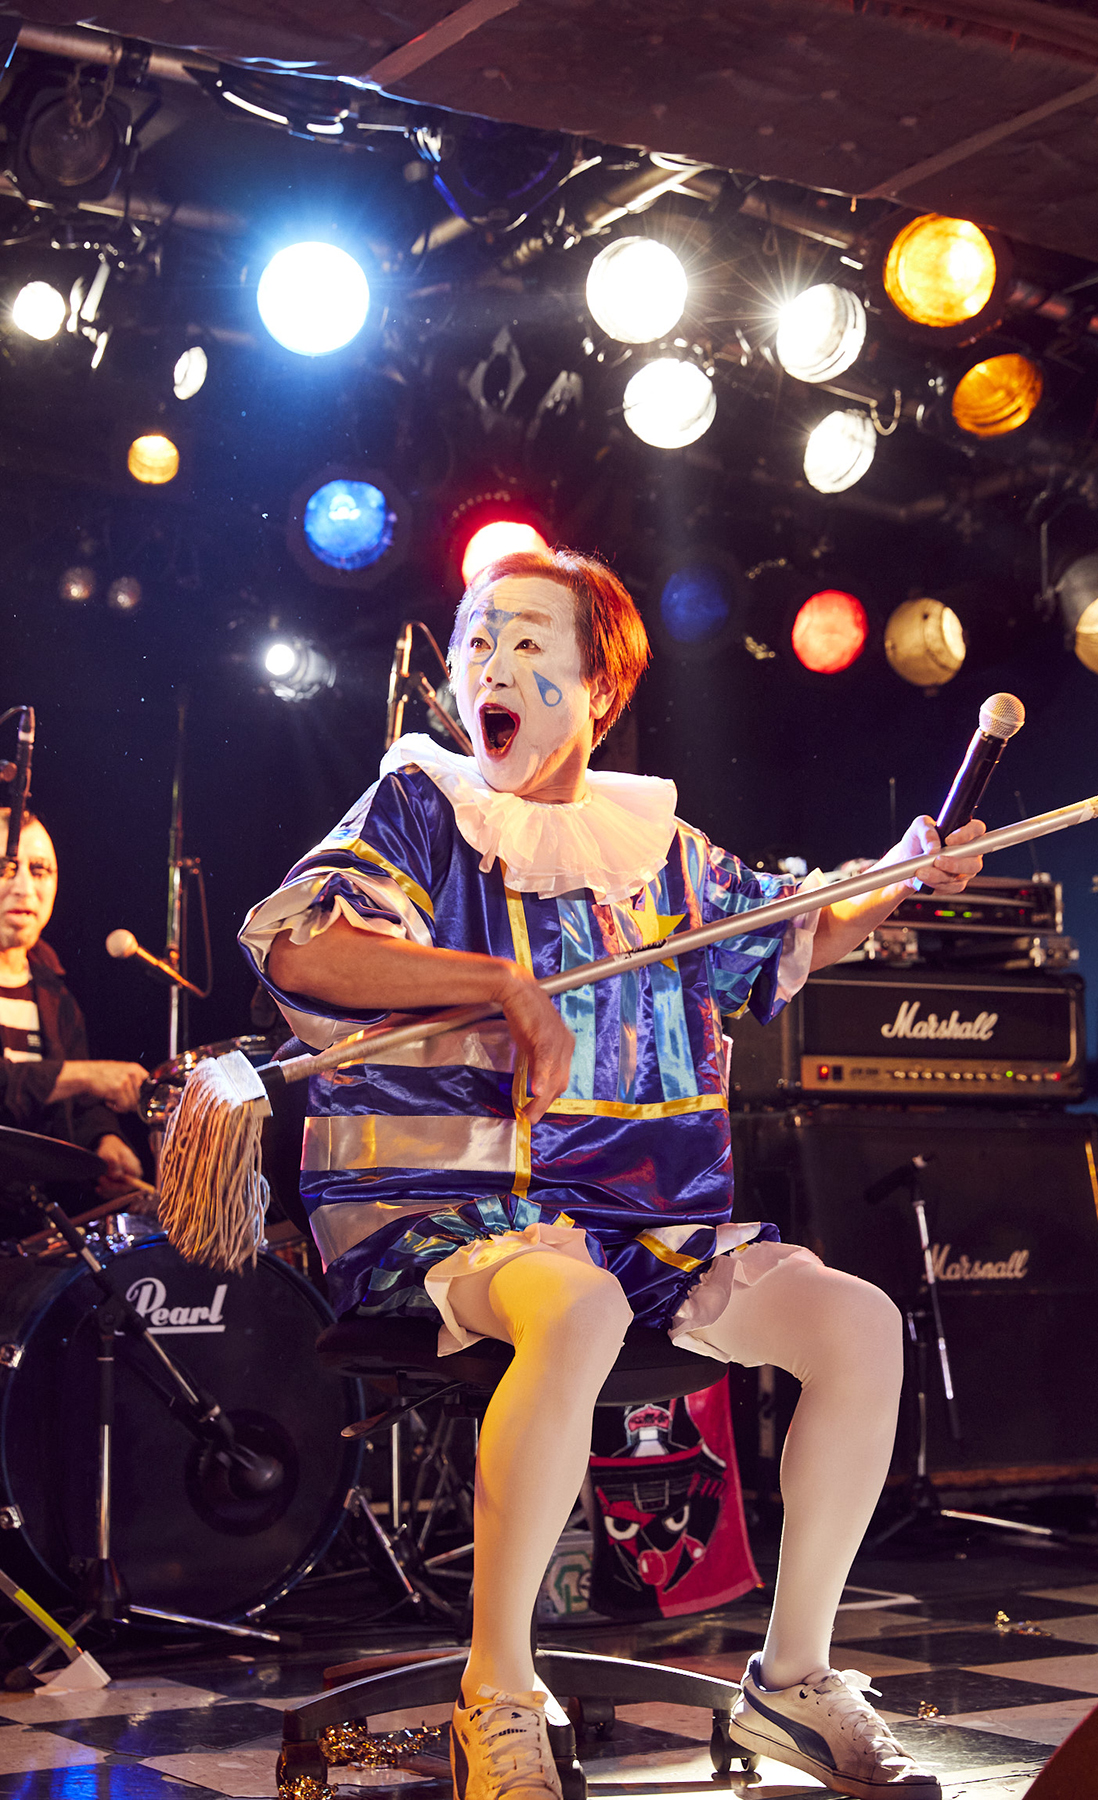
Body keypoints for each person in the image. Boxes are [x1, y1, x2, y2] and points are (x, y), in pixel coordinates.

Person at [242, 550, 986, 1800]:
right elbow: (305, 948)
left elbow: (791, 930)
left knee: (860, 1326)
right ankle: (497, 1694)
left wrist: (903, 876)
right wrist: (498, 984)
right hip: (448, 1207)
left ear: (598, 688)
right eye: (477, 645)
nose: (491, 667)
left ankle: (792, 1681)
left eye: (529, 644)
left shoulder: (661, 851)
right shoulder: (421, 807)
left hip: (644, 1226)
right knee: (576, 1306)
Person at [0, 809, 149, 1209]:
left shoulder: (53, 988)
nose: (24, 887)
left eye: (39, 870)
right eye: (4, 868)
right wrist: (88, 1075)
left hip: (34, 1225)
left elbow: (75, 1105)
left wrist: (104, 1140)